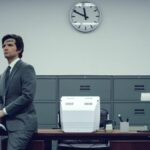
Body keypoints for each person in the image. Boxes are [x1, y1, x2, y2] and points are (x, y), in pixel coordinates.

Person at [0, 34, 37, 150]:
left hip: (21, 124)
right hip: (6, 125)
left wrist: (4, 111)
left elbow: (27, 96)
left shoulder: (26, 68)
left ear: (19, 49)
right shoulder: (4, 74)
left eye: (10, 45)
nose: (5, 48)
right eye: (3, 46)